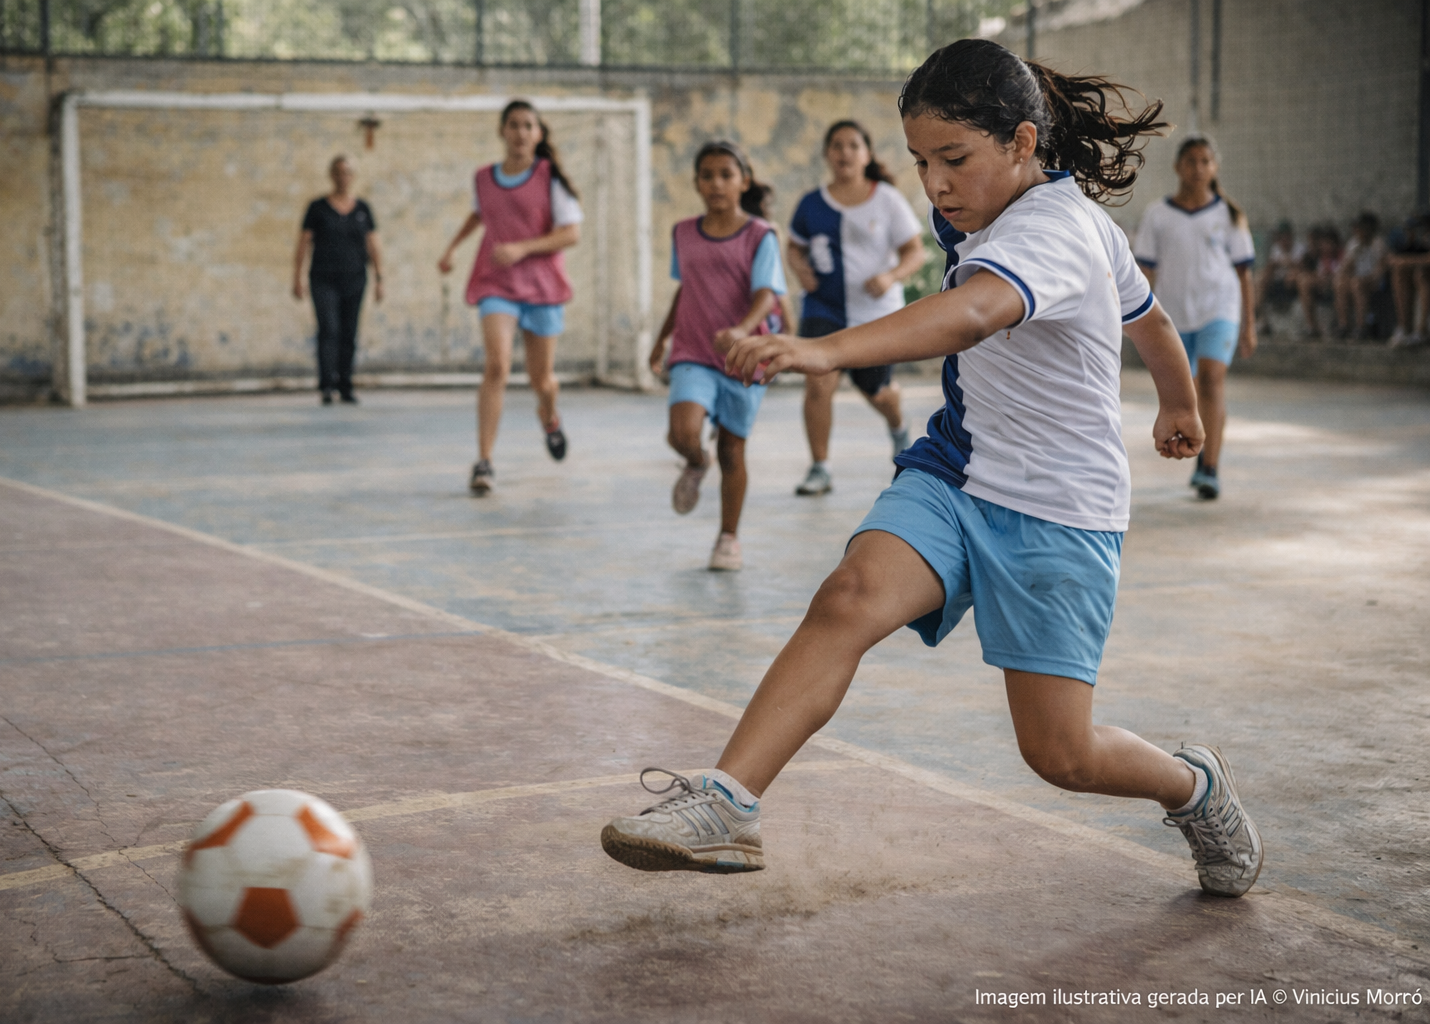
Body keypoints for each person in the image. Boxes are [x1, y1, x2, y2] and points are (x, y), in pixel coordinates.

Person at [601, 38, 1263, 902]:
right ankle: (729, 804)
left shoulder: (1057, 228)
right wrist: (1177, 403)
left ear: (1023, 143)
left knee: (1061, 754)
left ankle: (1193, 787)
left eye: (954, 159)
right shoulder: (994, 207)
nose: (936, 185)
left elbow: (975, 313)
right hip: (957, 469)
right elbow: (1150, 318)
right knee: (848, 597)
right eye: (920, 162)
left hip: (1060, 507)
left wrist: (822, 349)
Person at [648, 141, 787, 571]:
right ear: (696, 183)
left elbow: (767, 295)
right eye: (706, 175)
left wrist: (743, 330)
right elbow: (685, 288)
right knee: (682, 431)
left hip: (745, 356)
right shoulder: (683, 233)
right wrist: (661, 338)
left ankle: (728, 538)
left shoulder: (760, 235)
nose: (716, 183)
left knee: (732, 449)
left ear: (743, 181)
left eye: (726, 174)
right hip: (693, 349)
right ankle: (695, 459)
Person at [438, 100, 581, 495]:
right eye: (513, 125)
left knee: (542, 380)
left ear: (538, 134)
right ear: (502, 131)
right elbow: (479, 214)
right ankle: (484, 462)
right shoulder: (483, 178)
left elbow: (571, 233)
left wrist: (522, 248)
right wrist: (452, 248)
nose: (520, 132)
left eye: (528, 125)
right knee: (497, 366)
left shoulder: (550, 177)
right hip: (496, 282)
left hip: (542, 286)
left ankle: (549, 417)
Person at [786, 120, 927, 497]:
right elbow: (794, 247)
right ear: (826, 155)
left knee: (877, 392)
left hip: (875, 314)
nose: (844, 152)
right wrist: (801, 270)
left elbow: (915, 252)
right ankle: (820, 467)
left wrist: (890, 276)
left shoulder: (887, 200)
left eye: (853, 145)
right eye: (836, 145)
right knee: (818, 383)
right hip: (823, 309)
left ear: (867, 154)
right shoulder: (811, 204)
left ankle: (898, 427)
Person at [1133, 135, 1256, 501]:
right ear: (1177, 167)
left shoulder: (1230, 215)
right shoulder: (1157, 214)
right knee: (1188, 389)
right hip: (1172, 316)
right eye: (1191, 161)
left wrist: (1249, 325)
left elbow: (1244, 273)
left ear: (1214, 167)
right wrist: (1136, 320)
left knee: (1212, 381)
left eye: (1205, 161)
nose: (1198, 168)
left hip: (1219, 310)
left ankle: (1210, 468)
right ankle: (1201, 448)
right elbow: (1144, 272)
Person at [292, 155, 384, 405]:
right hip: (323, 280)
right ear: (331, 175)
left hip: (355, 279)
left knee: (349, 332)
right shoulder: (317, 208)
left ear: (352, 177)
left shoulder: (362, 209)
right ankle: (327, 386)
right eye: (339, 172)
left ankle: (345, 384)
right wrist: (297, 277)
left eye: (347, 172)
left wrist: (379, 278)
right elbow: (303, 243)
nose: (343, 177)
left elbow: (373, 245)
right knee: (329, 329)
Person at [1335, 212, 1390, 341]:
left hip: (1376, 282)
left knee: (1357, 284)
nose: (1357, 231)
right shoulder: (1353, 243)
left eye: (1360, 227)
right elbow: (1344, 269)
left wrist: (1365, 279)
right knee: (1340, 283)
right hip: (1358, 279)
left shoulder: (1378, 243)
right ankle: (1344, 325)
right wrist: (1352, 257)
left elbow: (1380, 271)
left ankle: (1361, 327)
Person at [1388, 213, 1430, 347]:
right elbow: (1392, 260)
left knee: (1421, 275)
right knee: (1399, 274)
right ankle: (1404, 327)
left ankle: (1422, 330)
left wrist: (1406, 261)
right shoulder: (1409, 244)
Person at [1256, 220, 1304, 336]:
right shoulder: (1276, 248)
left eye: (1285, 236)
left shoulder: (1299, 248)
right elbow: (1270, 267)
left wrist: (1289, 264)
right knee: (1260, 279)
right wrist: (1275, 265)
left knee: (1294, 277)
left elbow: (1302, 268)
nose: (1283, 240)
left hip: (1293, 282)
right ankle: (1259, 316)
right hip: (1277, 282)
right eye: (1281, 237)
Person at [1297, 225, 1343, 338]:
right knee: (1304, 281)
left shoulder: (1341, 255)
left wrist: (1329, 278)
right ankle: (1311, 327)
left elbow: (1342, 274)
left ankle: (1343, 326)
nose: (1324, 246)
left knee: (1339, 284)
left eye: (1328, 243)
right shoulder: (1320, 257)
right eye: (1323, 243)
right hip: (1322, 286)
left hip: (1339, 286)